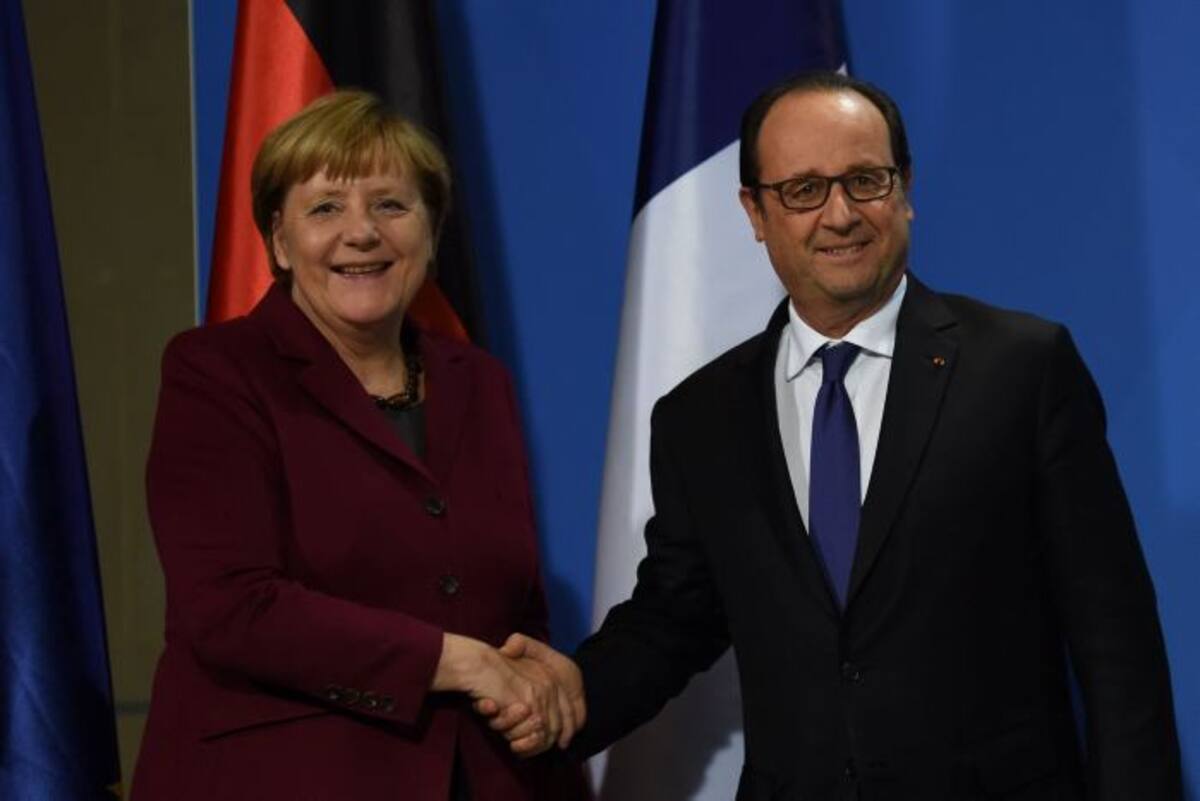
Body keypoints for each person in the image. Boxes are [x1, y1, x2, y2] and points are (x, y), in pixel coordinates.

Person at [501, 72, 1182, 799]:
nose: (840, 215)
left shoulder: (1023, 369)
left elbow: (1118, 647)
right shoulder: (700, 415)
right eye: (803, 190)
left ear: (906, 189)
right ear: (755, 212)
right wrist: (576, 687)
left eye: (865, 180)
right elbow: (676, 615)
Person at [131, 90, 587, 801]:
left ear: (431, 232)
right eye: (325, 208)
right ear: (279, 240)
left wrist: (538, 677)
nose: (361, 232)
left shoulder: (478, 381)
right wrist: (456, 661)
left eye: (391, 205)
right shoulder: (215, 372)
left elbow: (510, 595)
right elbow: (230, 608)